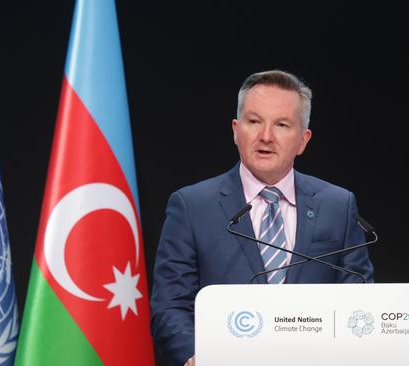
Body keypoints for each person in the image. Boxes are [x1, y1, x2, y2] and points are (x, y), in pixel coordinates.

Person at [149, 70, 374, 366]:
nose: (265, 136)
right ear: (235, 129)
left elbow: (358, 298)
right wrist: (194, 356)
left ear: (303, 140)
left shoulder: (338, 205)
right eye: (254, 121)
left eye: (281, 124)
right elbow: (170, 305)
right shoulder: (191, 206)